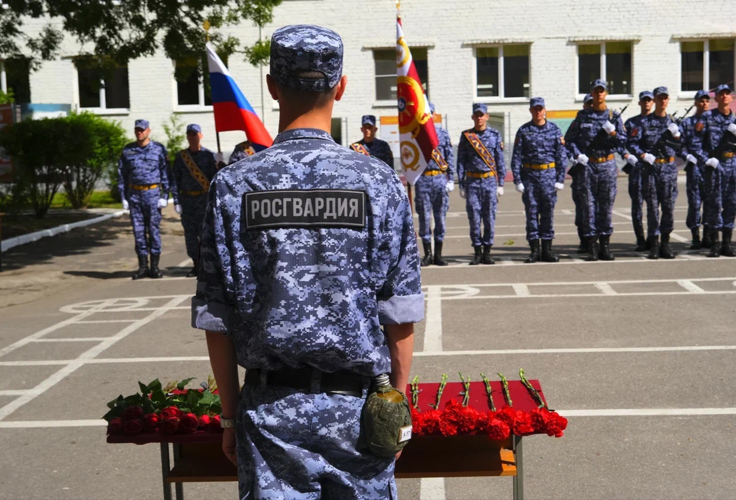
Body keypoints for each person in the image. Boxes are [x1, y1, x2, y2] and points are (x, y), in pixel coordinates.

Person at [193, 25, 423, 500]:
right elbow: (399, 313)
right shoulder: (378, 182)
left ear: (273, 87)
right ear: (340, 86)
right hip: (359, 414)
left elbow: (218, 318)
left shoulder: (235, 185)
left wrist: (231, 415)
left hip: (270, 414)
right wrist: (396, 405)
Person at [565, 79, 626, 261]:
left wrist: (613, 133)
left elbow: (624, 141)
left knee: (606, 206)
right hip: (587, 166)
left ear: (606, 94)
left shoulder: (613, 116)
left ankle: (605, 246)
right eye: (596, 91)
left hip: (607, 165)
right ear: (591, 93)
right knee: (588, 207)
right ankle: (591, 246)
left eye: (602, 91)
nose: (599, 94)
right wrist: (577, 155)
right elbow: (570, 140)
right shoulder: (582, 116)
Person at [627, 87, 686, 259]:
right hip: (651, 169)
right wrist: (643, 155)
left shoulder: (674, 122)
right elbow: (632, 143)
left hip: (668, 168)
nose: (662, 101)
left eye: (665, 98)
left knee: (668, 207)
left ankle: (666, 244)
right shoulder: (644, 123)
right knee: (653, 209)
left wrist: (677, 137)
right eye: (659, 98)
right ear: (655, 100)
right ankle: (654, 244)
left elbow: (683, 147)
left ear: (668, 100)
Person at [511, 97, 566, 263]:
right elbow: (516, 157)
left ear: (545, 110)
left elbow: (561, 156)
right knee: (532, 214)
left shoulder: (555, 130)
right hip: (530, 177)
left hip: (549, 176)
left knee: (548, 213)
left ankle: (547, 251)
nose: (538, 112)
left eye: (540, 108)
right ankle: (534, 251)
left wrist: (560, 178)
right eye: (535, 109)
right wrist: (517, 180)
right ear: (530, 111)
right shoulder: (523, 131)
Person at [117, 119, 171, 279]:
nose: (139, 132)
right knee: (138, 232)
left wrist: (165, 195)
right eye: (137, 130)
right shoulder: (128, 150)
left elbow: (165, 173)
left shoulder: (158, 149)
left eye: (142, 130)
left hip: (152, 193)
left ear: (148, 131)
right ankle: (142, 266)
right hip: (134, 195)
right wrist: (123, 197)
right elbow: (122, 175)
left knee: (153, 231)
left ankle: (155, 267)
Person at [457, 102, 506, 265]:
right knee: (474, 218)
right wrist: (461, 184)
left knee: (489, 217)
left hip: (490, 181)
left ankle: (487, 251)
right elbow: (461, 161)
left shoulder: (494, 135)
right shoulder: (466, 136)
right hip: (472, 181)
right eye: (476, 115)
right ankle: (477, 251)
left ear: (487, 116)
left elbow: (500, 160)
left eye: (482, 115)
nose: (479, 117)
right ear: (473, 117)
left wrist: (501, 183)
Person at [692, 84, 736, 257]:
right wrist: (706, 160)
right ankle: (715, 244)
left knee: (732, 204)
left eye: (727, 94)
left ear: (731, 98)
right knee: (714, 205)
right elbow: (695, 143)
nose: (724, 96)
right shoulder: (707, 118)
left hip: (733, 165)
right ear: (716, 98)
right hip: (715, 166)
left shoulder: (735, 121)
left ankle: (726, 242)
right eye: (720, 94)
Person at [171, 124, 218, 277]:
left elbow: (215, 179)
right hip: (187, 200)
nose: (192, 137)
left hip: (204, 200)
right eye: (190, 134)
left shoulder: (208, 156)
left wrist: (220, 163)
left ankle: (207, 265)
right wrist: (176, 200)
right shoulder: (181, 157)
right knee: (190, 235)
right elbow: (175, 180)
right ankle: (196, 264)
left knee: (206, 234)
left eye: (195, 134)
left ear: (201, 135)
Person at [415, 102, 454, 266]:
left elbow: (449, 156)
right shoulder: (415, 135)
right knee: (424, 218)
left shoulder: (442, 134)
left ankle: (438, 254)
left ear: (433, 114)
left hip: (439, 178)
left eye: (429, 113)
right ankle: (428, 254)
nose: (427, 116)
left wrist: (451, 178)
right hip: (422, 179)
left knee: (440, 218)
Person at [622, 91, 654, 251]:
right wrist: (628, 155)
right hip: (637, 170)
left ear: (653, 102)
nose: (647, 103)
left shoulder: (660, 121)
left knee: (653, 206)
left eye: (649, 100)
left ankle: (652, 238)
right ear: (640, 103)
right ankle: (640, 238)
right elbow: (622, 142)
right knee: (637, 206)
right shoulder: (631, 123)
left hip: (654, 170)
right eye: (644, 100)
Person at [680, 89, 712, 249]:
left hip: (709, 167)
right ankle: (695, 236)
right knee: (694, 202)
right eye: (701, 101)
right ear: (695, 103)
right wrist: (687, 156)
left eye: (707, 101)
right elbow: (679, 145)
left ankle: (707, 235)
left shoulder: (714, 122)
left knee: (710, 202)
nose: (704, 103)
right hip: (694, 168)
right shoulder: (687, 123)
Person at [567, 93, 594, 254]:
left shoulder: (606, 119)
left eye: (593, 103)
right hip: (581, 171)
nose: (591, 106)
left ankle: (595, 242)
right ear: (584, 105)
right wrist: (576, 155)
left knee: (596, 209)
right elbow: (568, 141)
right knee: (582, 209)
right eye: (588, 104)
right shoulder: (578, 121)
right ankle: (584, 240)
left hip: (598, 170)